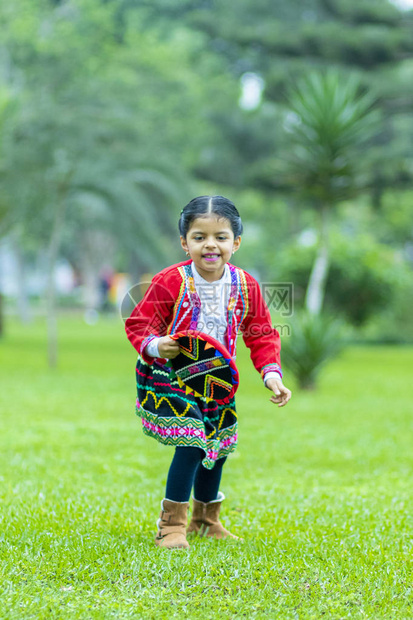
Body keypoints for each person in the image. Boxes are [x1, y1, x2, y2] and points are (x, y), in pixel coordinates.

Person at [125, 195, 291, 549]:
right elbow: (141, 323)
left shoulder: (246, 286)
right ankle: (171, 526)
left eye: (221, 237)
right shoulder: (171, 281)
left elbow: (261, 333)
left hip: (216, 381)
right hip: (172, 376)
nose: (210, 245)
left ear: (237, 242)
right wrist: (157, 344)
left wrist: (271, 374)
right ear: (184, 242)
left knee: (219, 446)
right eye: (199, 237)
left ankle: (205, 519)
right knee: (190, 443)